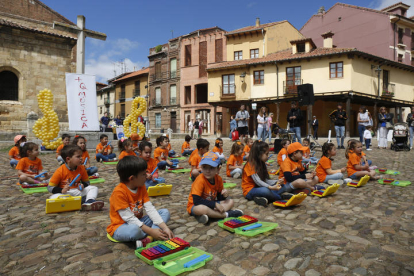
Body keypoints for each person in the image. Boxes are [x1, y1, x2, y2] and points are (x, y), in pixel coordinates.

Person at [107, 156, 173, 248]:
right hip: (121, 227)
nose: (146, 176)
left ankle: (150, 238)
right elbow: (129, 218)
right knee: (134, 230)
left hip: (139, 222)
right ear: (132, 178)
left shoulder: (141, 187)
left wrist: (165, 227)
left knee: (164, 212)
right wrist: (151, 230)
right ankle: (153, 234)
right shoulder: (119, 192)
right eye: (143, 174)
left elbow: (150, 209)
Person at [187, 152, 244, 224]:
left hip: (211, 204)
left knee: (230, 201)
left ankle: (211, 215)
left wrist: (224, 195)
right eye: (205, 167)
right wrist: (215, 205)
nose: (207, 171)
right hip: (195, 205)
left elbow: (219, 198)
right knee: (202, 209)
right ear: (201, 168)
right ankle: (226, 214)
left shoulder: (218, 179)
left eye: (211, 168)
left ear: (218, 169)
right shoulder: (200, 180)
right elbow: (197, 201)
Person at [48, 144, 104, 211]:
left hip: (77, 191)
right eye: (78, 156)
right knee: (53, 197)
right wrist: (61, 190)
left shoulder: (82, 168)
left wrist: (83, 185)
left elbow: (87, 183)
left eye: (81, 156)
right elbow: (50, 188)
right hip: (65, 193)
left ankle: (89, 201)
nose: (81, 158)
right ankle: (79, 201)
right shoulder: (60, 170)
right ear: (68, 159)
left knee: (93, 188)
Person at [242, 141, 287, 207]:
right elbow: (258, 181)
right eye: (266, 154)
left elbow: (265, 180)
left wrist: (277, 182)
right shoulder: (250, 164)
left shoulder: (262, 163)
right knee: (266, 190)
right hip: (249, 190)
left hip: (260, 187)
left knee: (282, 186)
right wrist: (270, 187)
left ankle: (261, 198)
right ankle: (279, 197)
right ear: (259, 154)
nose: (268, 156)